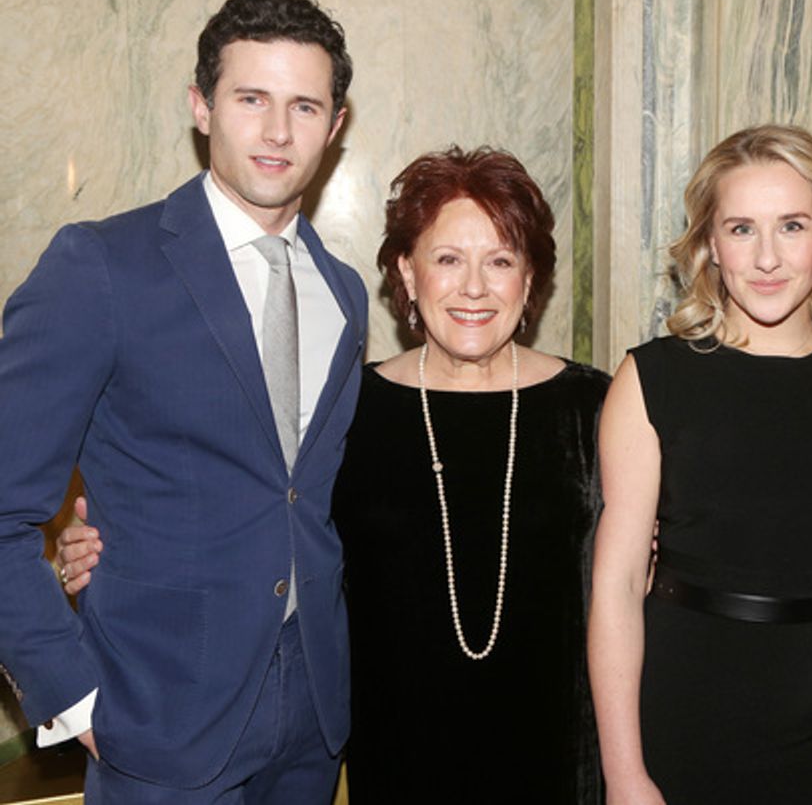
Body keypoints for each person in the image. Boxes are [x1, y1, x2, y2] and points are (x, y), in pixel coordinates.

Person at [61, 146, 610, 803]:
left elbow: (649, 567)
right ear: (407, 273)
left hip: (558, 750)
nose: (474, 287)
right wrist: (106, 543)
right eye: (447, 259)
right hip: (398, 751)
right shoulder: (349, 404)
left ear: (531, 276)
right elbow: (252, 508)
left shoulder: (598, 409)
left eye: (500, 260)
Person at [0, 0, 366, 803]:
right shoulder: (100, 267)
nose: (278, 131)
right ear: (202, 107)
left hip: (312, 719)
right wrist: (69, 693)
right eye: (251, 99)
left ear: (335, 125)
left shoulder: (344, 292)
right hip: (156, 718)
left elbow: (300, 497)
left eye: (305, 106)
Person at [588, 124, 812, 804]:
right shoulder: (652, 378)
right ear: (711, 245)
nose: (767, 257)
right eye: (742, 229)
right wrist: (625, 775)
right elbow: (618, 586)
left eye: (792, 226)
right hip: (682, 715)